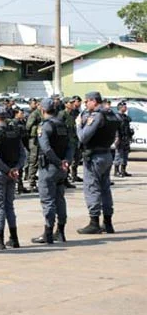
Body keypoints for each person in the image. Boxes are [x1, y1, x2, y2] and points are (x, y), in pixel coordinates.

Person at [75, 91, 120, 235]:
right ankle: (108, 223)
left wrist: (78, 125)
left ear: (94, 101)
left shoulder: (97, 115)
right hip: (107, 154)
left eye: (87, 101)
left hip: (95, 156)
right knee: (105, 189)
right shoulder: (112, 115)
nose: (85, 104)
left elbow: (83, 137)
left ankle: (94, 222)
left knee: (92, 188)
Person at [0, 106, 27, 250]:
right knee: (9, 205)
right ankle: (14, 238)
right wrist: (16, 169)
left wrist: (7, 170)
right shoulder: (14, 132)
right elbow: (23, 154)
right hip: (12, 173)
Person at [31, 98, 74, 244]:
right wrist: (66, 161)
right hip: (62, 168)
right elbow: (70, 146)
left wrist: (57, 162)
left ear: (42, 110)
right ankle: (60, 232)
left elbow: (46, 148)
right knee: (60, 199)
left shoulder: (45, 126)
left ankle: (48, 233)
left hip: (49, 167)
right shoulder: (62, 125)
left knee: (48, 200)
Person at [25, 98, 43, 192]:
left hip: (41, 139)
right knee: (34, 160)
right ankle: (32, 183)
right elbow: (28, 127)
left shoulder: (43, 113)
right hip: (34, 140)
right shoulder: (35, 114)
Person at [114, 101, 134, 177]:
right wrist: (117, 137)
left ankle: (123, 170)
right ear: (120, 107)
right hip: (120, 138)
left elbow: (127, 127)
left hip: (126, 138)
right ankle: (116, 171)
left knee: (125, 154)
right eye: (124, 107)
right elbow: (116, 129)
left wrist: (130, 135)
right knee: (118, 154)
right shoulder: (117, 117)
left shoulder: (125, 117)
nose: (125, 108)